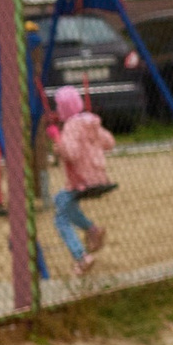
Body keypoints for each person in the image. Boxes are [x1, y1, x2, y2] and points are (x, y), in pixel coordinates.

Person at [43, 86, 113, 277]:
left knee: (60, 218)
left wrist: (58, 142)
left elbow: (71, 154)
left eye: (59, 107)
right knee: (60, 200)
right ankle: (92, 230)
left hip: (82, 181)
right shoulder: (91, 122)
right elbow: (109, 142)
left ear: (64, 108)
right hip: (99, 177)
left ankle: (81, 256)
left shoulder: (71, 126)